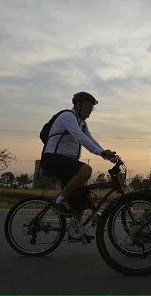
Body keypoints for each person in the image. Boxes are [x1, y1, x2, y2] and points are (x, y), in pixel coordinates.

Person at [40, 92, 116, 233]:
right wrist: (101, 152)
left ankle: (75, 231)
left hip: (67, 161)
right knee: (86, 170)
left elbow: (91, 140)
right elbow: (79, 136)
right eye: (88, 106)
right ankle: (60, 200)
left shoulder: (82, 123)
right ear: (78, 105)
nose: (89, 111)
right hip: (53, 158)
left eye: (91, 108)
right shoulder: (68, 116)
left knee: (81, 196)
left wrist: (108, 156)